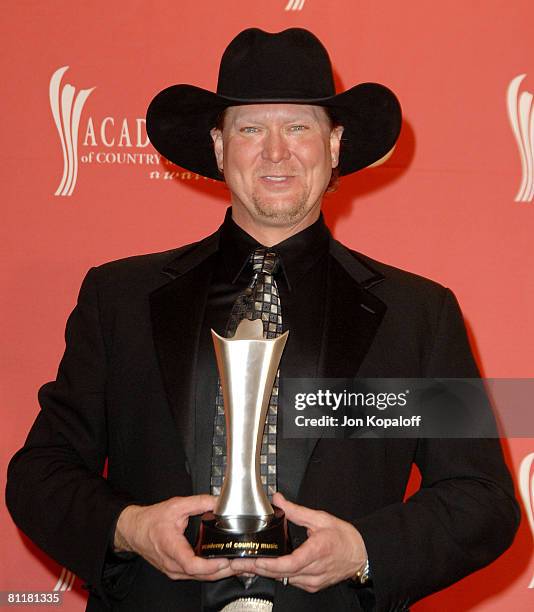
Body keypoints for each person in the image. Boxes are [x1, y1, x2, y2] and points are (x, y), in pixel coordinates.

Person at [6, 28, 519, 612]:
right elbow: (40, 475)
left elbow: (481, 499)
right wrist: (130, 529)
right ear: (221, 148)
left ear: (335, 147)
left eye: (299, 127)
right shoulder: (118, 298)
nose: (276, 151)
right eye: (251, 129)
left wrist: (362, 550)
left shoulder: (417, 314)